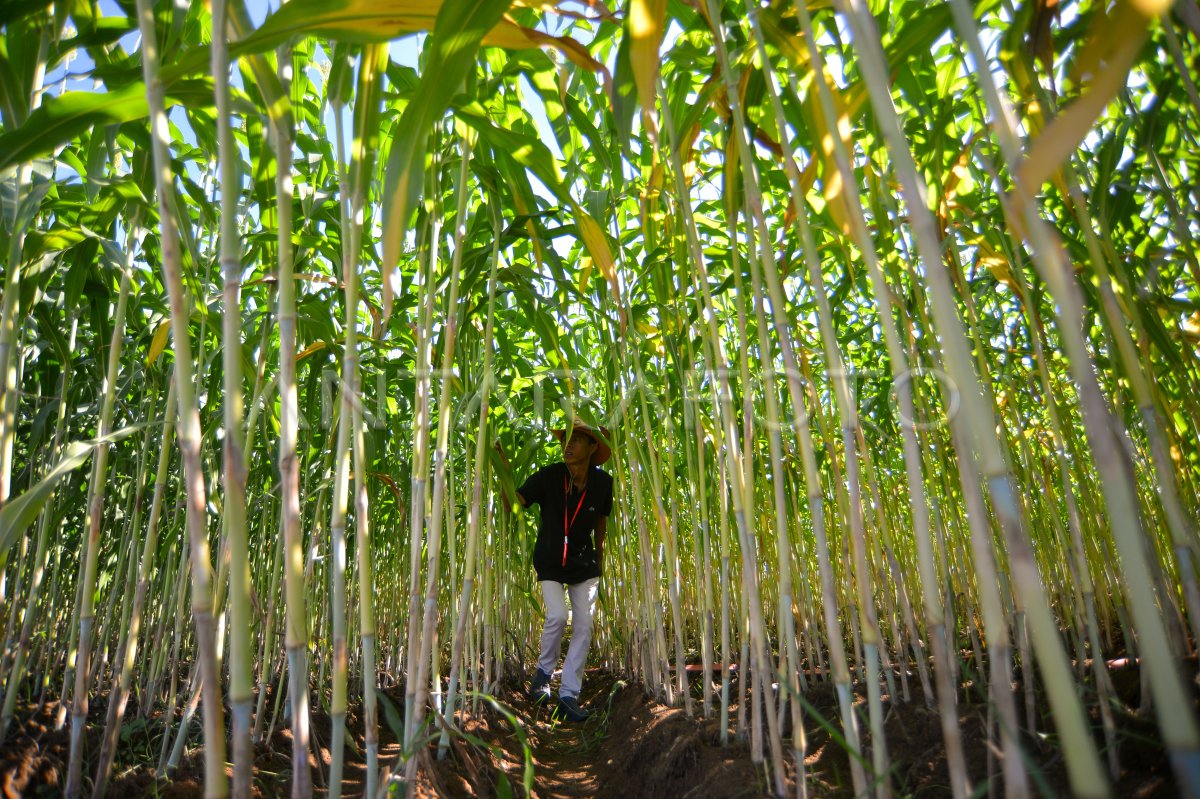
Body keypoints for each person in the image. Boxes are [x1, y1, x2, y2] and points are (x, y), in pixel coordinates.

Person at [514, 419, 613, 722]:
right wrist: (503, 472)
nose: (567, 445)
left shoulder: (603, 483)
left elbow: (600, 522)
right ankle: (543, 676)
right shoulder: (549, 476)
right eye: (565, 440)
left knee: (584, 626)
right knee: (557, 615)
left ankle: (569, 694)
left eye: (576, 440)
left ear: (593, 447)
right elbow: (516, 501)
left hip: (584, 565)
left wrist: (599, 557)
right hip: (550, 561)